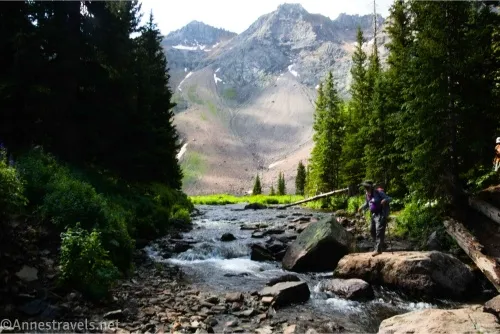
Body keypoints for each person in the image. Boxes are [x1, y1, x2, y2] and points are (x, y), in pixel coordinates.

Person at [358, 180, 392, 256]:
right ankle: (382, 245)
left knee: (379, 231)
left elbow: (390, 198)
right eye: (365, 187)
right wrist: (361, 207)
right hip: (374, 215)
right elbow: (367, 204)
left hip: (381, 214)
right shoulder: (367, 194)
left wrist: (385, 200)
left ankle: (378, 250)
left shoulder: (378, 192)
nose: (365, 188)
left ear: (371, 187)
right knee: (372, 231)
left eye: (367, 187)